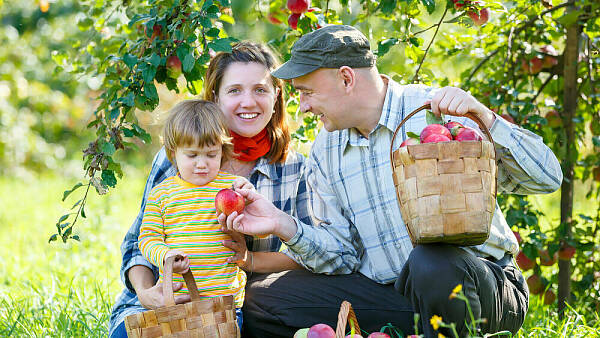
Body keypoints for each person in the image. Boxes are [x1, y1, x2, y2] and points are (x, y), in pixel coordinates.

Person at [218, 25, 563, 337]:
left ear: (346, 79)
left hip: (476, 285)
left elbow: (547, 177)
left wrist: (485, 117)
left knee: (431, 263)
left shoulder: (433, 110)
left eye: (307, 92)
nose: (303, 106)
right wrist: (283, 224)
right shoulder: (327, 148)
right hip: (394, 293)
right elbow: (342, 257)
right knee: (261, 300)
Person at [108, 41, 310, 337]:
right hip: (166, 301)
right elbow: (138, 242)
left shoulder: (294, 169)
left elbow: (309, 253)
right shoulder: (179, 160)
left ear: (276, 95)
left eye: (260, 89)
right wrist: (145, 292)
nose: (249, 102)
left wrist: (249, 259)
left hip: (230, 306)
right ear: (215, 96)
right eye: (234, 90)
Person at [137, 99, 255, 329]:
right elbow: (147, 238)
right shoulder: (162, 193)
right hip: (178, 302)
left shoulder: (232, 188)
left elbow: (256, 231)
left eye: (211, 155)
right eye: (192, 155)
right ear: (174, 152)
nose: (202, 164)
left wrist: (248, 205)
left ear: (223, 150)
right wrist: (166, 256)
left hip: (224, 302)